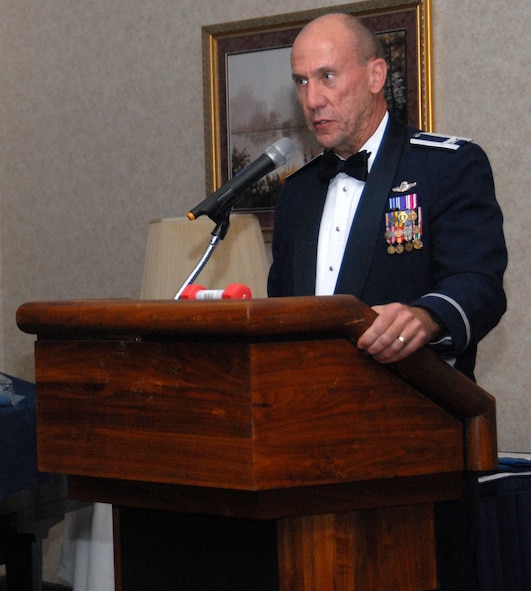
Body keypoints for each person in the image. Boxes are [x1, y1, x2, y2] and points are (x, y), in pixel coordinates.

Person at [267, 12, 507, 380]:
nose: (312, 99)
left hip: (414, 406)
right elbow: (282, 309)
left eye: (327, 76)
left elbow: (479, 285)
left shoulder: (446, 167)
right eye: (301, 81)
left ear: (375, 76)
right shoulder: (297, 191)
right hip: (308, 410)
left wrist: (427, 317)